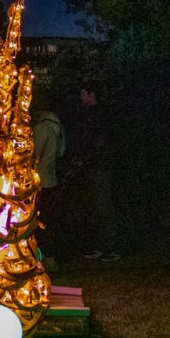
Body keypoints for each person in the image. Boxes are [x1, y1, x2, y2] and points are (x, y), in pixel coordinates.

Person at [72, 80, 120, 262]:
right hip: (93, 164)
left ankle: (111, 247)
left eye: (84, 93)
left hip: (99, 166)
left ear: (92, 95)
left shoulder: (97, 115)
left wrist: (86, 158)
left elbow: (99, 141)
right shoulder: (91, 114)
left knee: (102, 205)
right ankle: (103, 245)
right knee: (96, 205)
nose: (81, 97)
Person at [31, 91, 66, 272]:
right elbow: (60, 152)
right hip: (52, 179)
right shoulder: (58, 126)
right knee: (49, 219)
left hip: (39, 181)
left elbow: (34, 155)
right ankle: (51, 257)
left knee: (38, 221)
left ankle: (41, 258)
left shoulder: (41, 128)